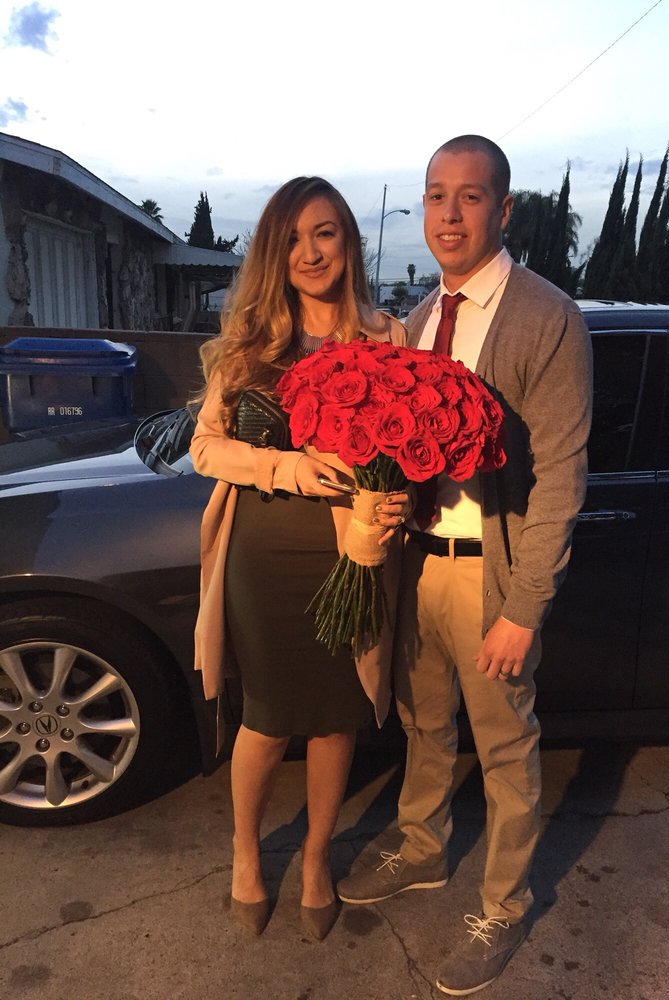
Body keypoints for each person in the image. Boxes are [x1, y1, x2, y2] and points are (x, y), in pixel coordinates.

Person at [337, 136, 593, 993]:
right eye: (436, 195)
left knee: (506, 748)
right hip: (419, 565)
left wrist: (524, 609)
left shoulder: (547, 317)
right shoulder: (415, 322)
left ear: (503, 209)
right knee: (424, 724)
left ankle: (505, 907)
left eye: (471, 196)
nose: (449, 214)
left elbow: (561, 476)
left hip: (491, 573)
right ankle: (423, 847)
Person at [190, 176, 410, 941]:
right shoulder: (249, 347)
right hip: (264, 550)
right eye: (292, 239)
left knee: (335, 714)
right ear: (273, 255)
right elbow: (205, 448)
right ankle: (246, 854)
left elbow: (406, 450)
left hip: (351, 550)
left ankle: (317, 859)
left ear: (347, 240)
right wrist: (283, 466)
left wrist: (397, 500)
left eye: (324, 233)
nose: (310, 253)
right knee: (267, 716)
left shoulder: (386, 337)